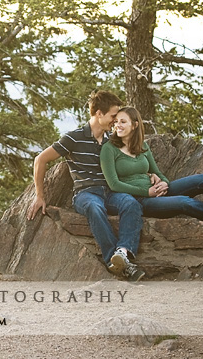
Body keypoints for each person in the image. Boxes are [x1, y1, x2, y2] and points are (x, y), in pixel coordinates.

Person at [27, 91, 145, 282]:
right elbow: (40, 160)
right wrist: (39, 195)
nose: (116, 122)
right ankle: (114, 262)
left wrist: (152, 176)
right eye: (113, 116)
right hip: (85, 194)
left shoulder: (111, 141)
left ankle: (122, 255)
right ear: (99, 113)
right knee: (94, 208)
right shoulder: (74, 138)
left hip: (110, 192)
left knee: (131, 204)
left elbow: (132, 163)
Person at [100, 106, 203, 221]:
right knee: (184, 202)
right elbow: (114, 184)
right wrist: (147, 191)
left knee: (202, 179)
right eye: (116, 122)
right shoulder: (109, 149)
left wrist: (163, 182)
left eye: (122, 122)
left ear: (135, 125)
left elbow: (157, 171)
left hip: (157, 192)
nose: (117, 126)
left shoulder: (142, 145)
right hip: (140, 201)